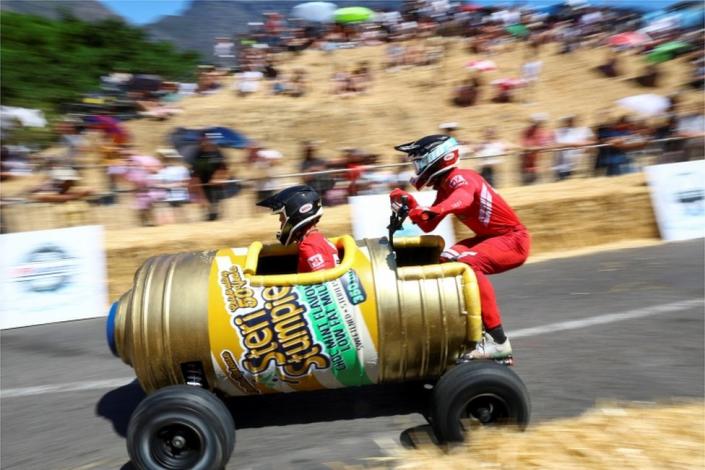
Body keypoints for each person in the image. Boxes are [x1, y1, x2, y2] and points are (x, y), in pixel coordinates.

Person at [389, 135, 530, 360]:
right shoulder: (445, 187)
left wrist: (438, 209)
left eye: (419, 161)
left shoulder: (459, 177)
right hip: (492, 237)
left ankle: (498, 341)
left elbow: (463, 199)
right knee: (444, 262)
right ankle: (468, 329)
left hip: (512, 240)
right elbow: (428, 224)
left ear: (437, 158)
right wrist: (410, 205)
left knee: (467, 265)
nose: (416, 167)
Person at [257, 185, 339, 273]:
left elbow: (323, 280)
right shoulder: (317, 239)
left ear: (294, 214)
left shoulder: (309, 245)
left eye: (282, 218)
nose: (281, 222)